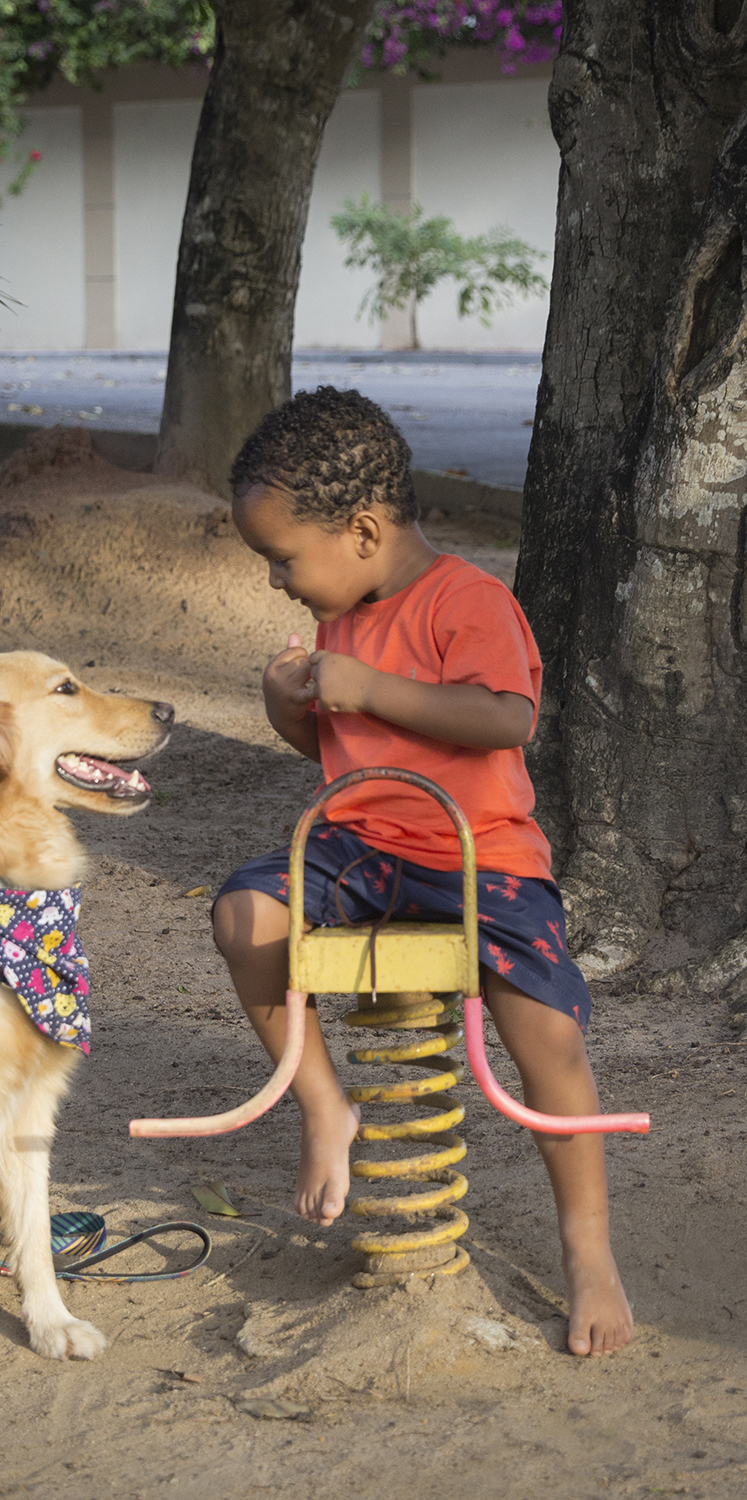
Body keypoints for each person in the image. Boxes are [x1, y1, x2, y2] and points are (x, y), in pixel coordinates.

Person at [211, 386, 632, 1358]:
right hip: (357, 851)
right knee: (242, 916)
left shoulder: (466, 601)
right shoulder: (339, 615)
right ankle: (325, 1105)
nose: (278, 582)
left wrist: (370, 685)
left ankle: (587, 1250)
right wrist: (291, 700)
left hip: (479, 856)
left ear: (360, 530)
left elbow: (505, 720)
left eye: (283, 560)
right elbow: (318, 741)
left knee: (549, 1037)